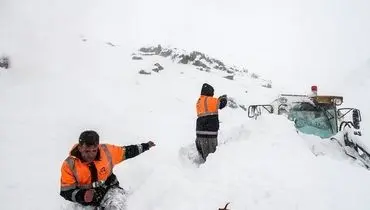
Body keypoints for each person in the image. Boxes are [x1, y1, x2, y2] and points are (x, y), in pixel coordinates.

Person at [60, 130, 155, 209]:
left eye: (94, 150)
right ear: (80, 148)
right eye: (87, 151)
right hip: (86, 200)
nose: (91, 154)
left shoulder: (106, 151)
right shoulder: (69, 165)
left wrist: (145, 146)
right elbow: (65, 192)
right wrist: (82, 196)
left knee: (116, 207)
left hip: (110, 189)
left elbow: (127, 152)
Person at [196, 83, 227, 161]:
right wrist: (224, 98)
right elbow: (222, 104)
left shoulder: (198, 102)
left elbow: (209, 106)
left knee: (203, 156)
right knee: (212, 158)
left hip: (200, 133)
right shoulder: (213, 100)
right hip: (210, 133)